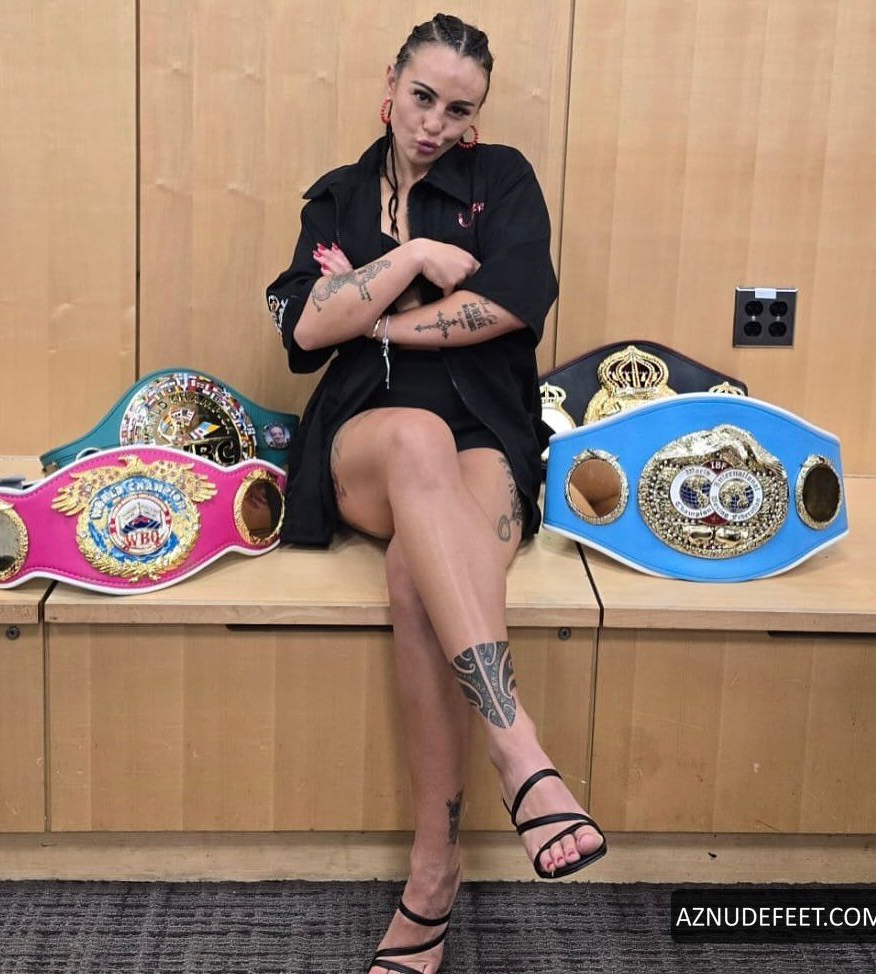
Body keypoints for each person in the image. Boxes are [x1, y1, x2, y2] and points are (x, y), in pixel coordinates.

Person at [266, 13, 606, 973]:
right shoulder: (338, 198)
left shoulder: (504, 180)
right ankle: (520, 752)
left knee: (417, 579)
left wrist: (370, 314)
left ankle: (432, 877)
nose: (435, 124)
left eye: (459, 110)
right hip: (368, 441)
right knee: (414, 434)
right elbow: (303, 331)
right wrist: (412, 261)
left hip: (488, 437)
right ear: (391, 84)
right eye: (422, 98)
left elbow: (512, 303)